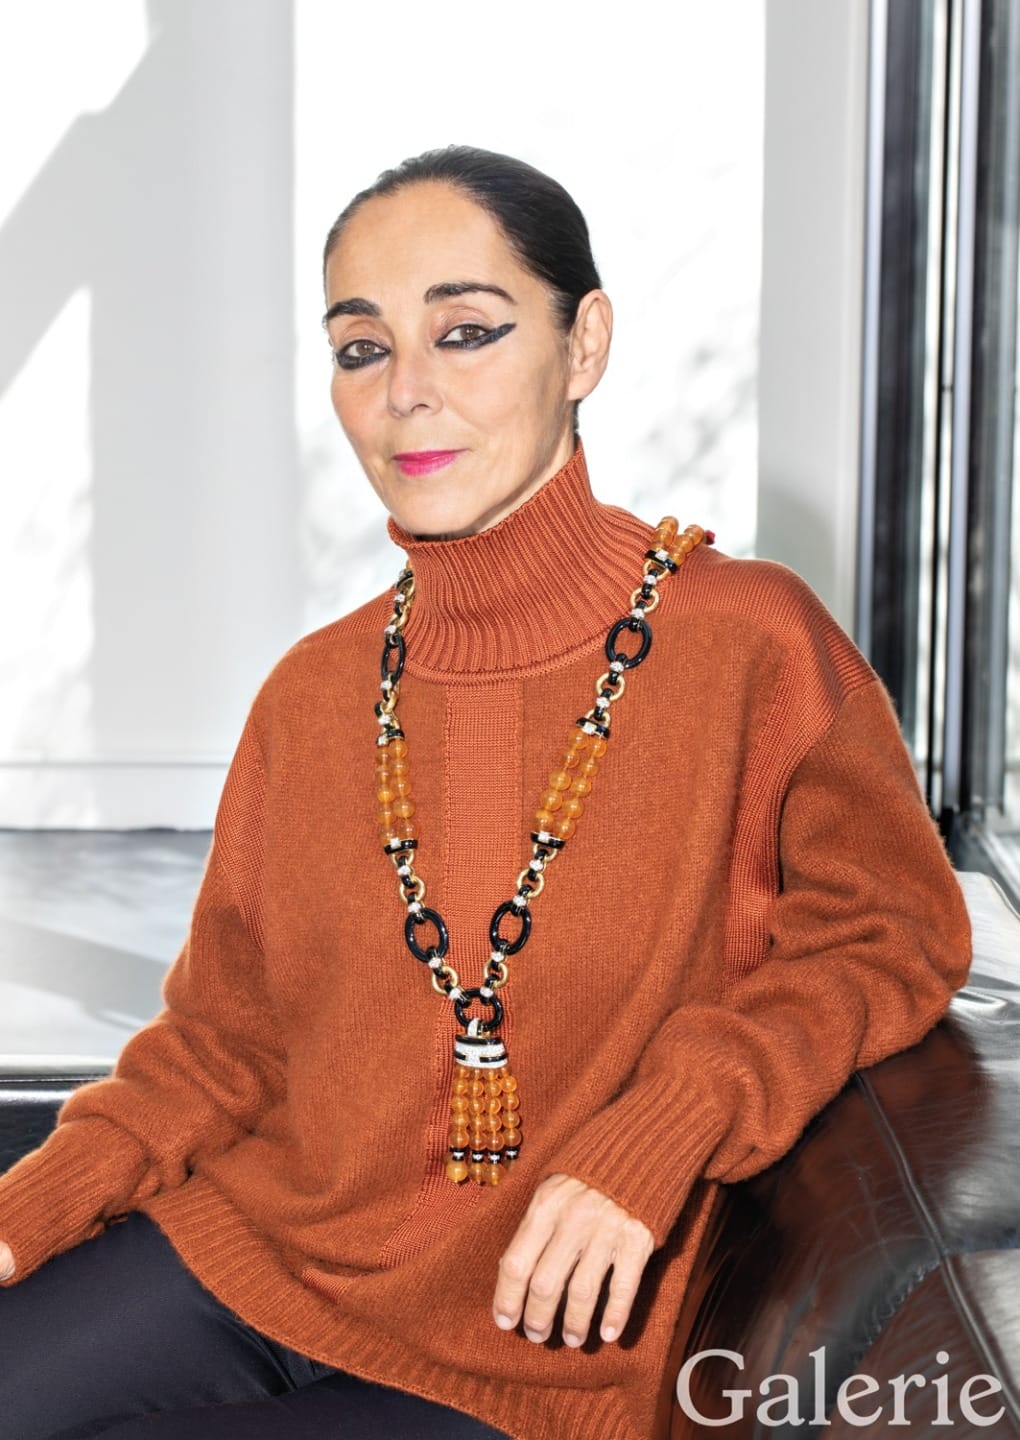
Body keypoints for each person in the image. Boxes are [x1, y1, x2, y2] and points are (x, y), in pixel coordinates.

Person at [0, 146, 971, 1439]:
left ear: (585, 346)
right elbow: (224, 1043)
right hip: (259, 1247)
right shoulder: (317, 691)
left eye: (466, 333)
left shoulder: (751, 644)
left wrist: (671, 1118)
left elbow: (890, 933)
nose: (408, 393)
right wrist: (30, 1209)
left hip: (537, 1346)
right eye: (361, 349)